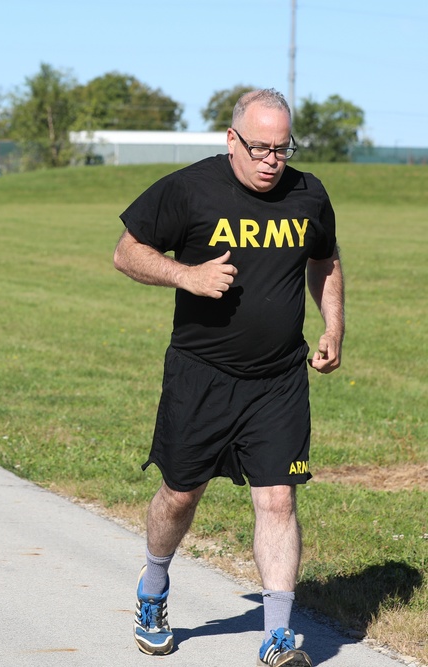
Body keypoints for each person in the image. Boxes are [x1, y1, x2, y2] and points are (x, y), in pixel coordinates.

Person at [113, 88, 344, 667]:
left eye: (282, 148)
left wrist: (333, 326)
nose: (272, 159)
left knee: (278, 500)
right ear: (231, 138)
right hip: (201, 376)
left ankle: (277, 637)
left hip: (278, 379)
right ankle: (155, 585)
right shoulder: (190, 189)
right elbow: (127, 253)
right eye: (261, 147)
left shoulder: (308, 194)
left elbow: (325, 258)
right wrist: (185, 275)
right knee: (180, 494)